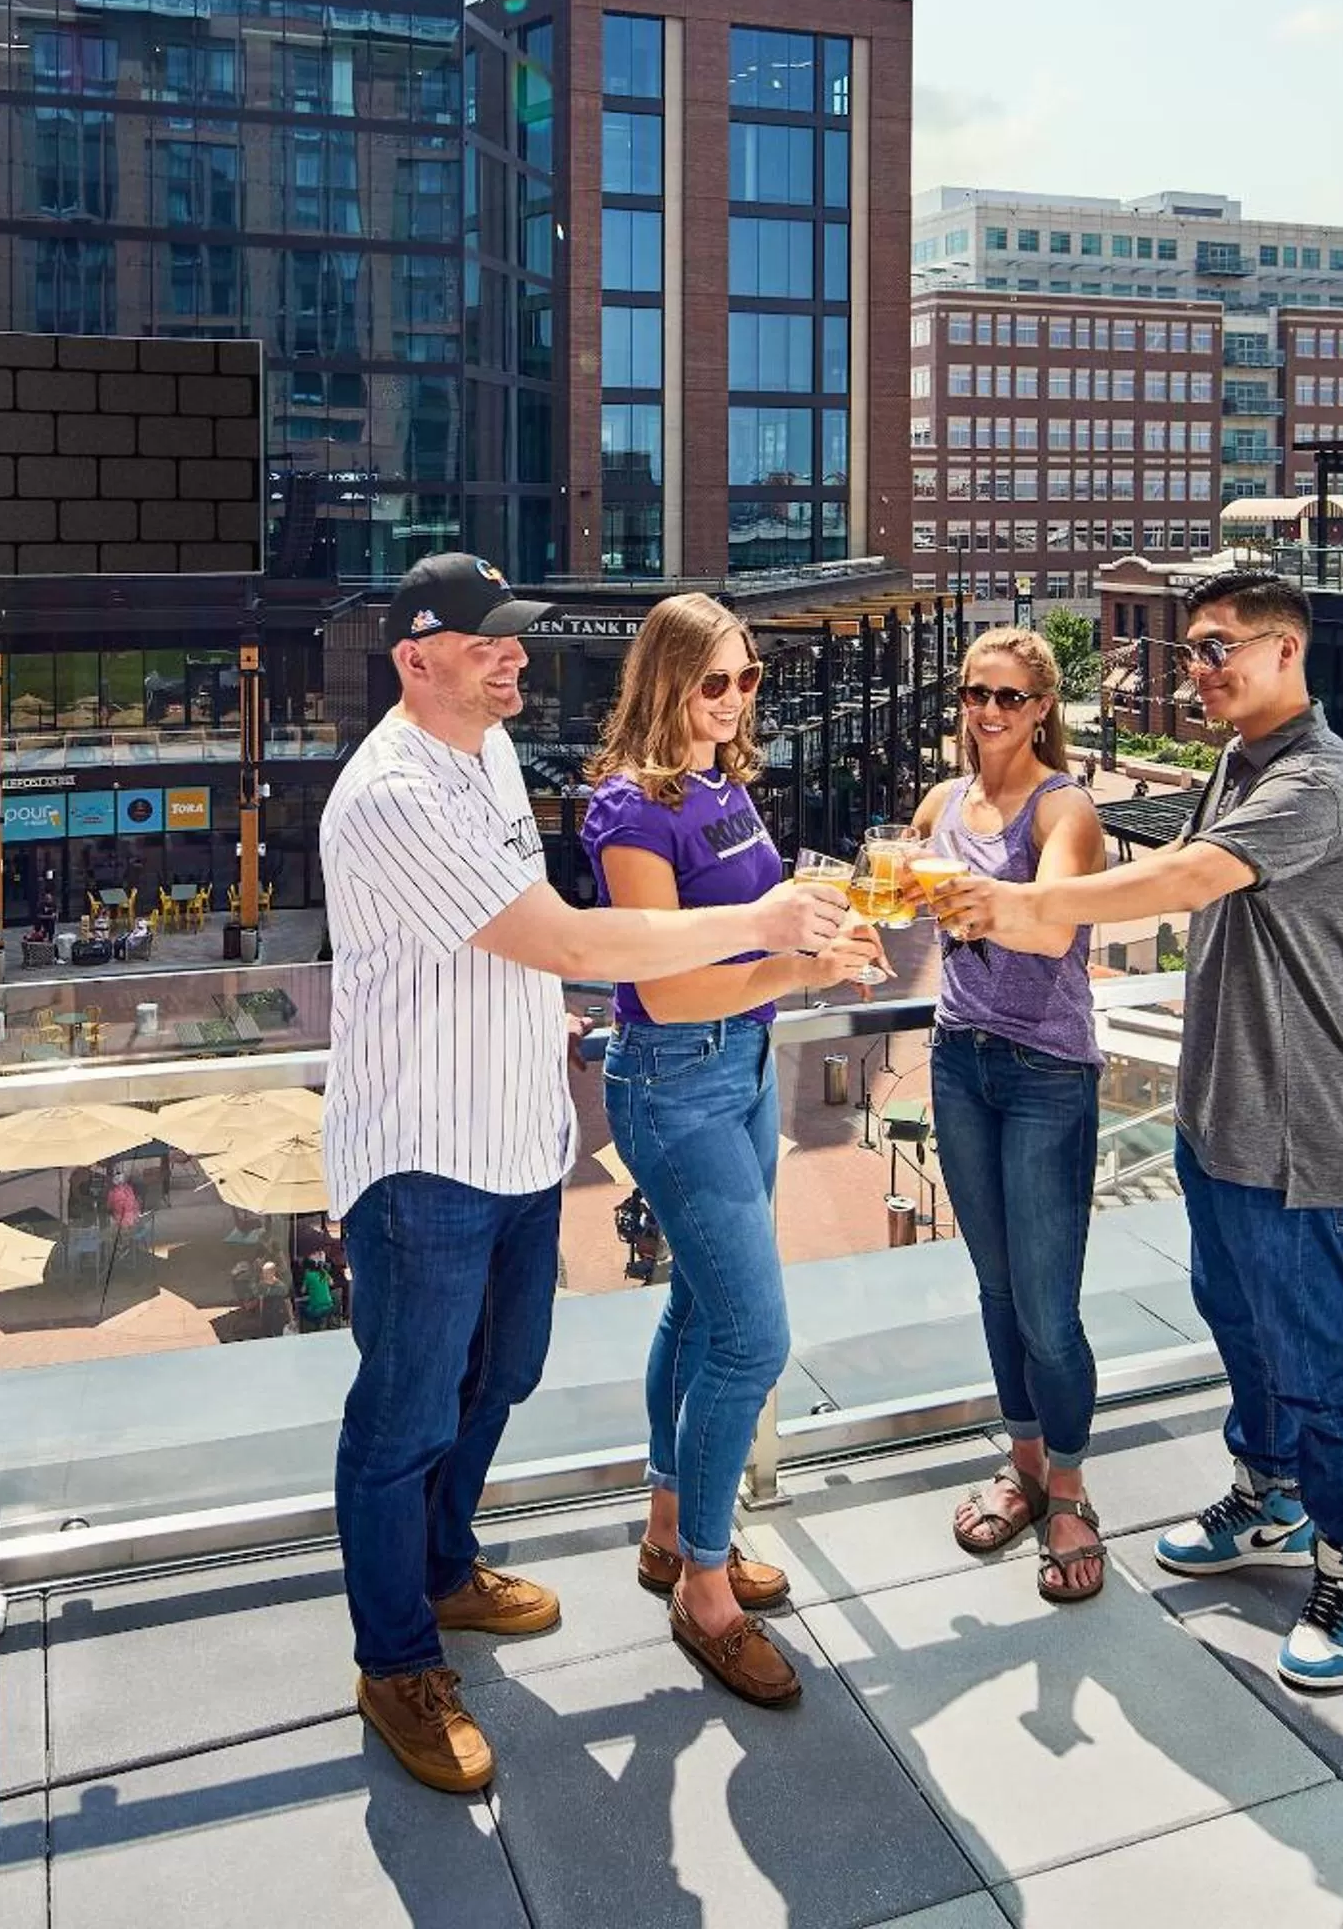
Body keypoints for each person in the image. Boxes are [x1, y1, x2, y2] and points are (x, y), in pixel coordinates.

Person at [322, 550, 850, 1795]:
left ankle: (446, 1572)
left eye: (515, 638)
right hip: (422, 1155)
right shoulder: (395, 790)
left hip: (514, 1137)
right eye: (489, 642)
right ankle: (395, 1659)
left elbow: (511, 934)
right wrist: (759, 927)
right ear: (416, 658)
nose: (516, 656)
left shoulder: (489, 754)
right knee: (400, 1416)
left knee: (502, 1371)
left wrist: (539, 1019)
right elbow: (559, 935)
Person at [929, 570, 1343, 1691]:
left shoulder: (1321, 781)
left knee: (1311, 1349)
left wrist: (1019, 905)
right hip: (1223, 1106)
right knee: (1235, 1317)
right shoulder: (1239, 763)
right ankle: (1270, 1495)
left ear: (1289, 652)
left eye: (1221, 646)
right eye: (1191, 650)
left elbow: (1187, 878)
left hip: (1296, 1118)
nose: (1200, 669)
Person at [584, 592, 881, 1708]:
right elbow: (660, 987)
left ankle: (670, 1527)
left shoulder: (723, 784)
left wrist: (817, 919)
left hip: (746, 1070)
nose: (735, 699)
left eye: (749, 679)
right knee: (754, 1339)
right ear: (665, 682)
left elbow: (755, 922)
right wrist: (796, 967)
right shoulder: (628, 810)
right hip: (676, 1079)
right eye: (715, 682)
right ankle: (704, 1592)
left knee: (702, 1314)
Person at [902, 626, 1111, 1605]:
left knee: (1047, 1305)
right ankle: (1024, 1463)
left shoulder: (1063, 808)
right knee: (994, 1289)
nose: (987, 711)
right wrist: (892, 898)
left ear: (1040, 709)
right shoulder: (944, 803)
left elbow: (1057, 921)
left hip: (1045, 1074)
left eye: (1008, 697)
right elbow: (909, 905)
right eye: (974, 693)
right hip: (960, 1061)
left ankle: (1069, 1487)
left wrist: (976, 898)